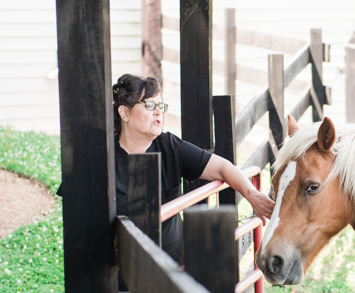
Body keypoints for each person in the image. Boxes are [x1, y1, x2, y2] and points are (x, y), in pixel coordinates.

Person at [111, 74, 274, 263]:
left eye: (160, 106)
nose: (158, 112)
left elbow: (222, 167)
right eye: (149, 105)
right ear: (125, 113)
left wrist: (252, 195)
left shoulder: (170, 146)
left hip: (174, 267)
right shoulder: (105, 156)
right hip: (121, 271)